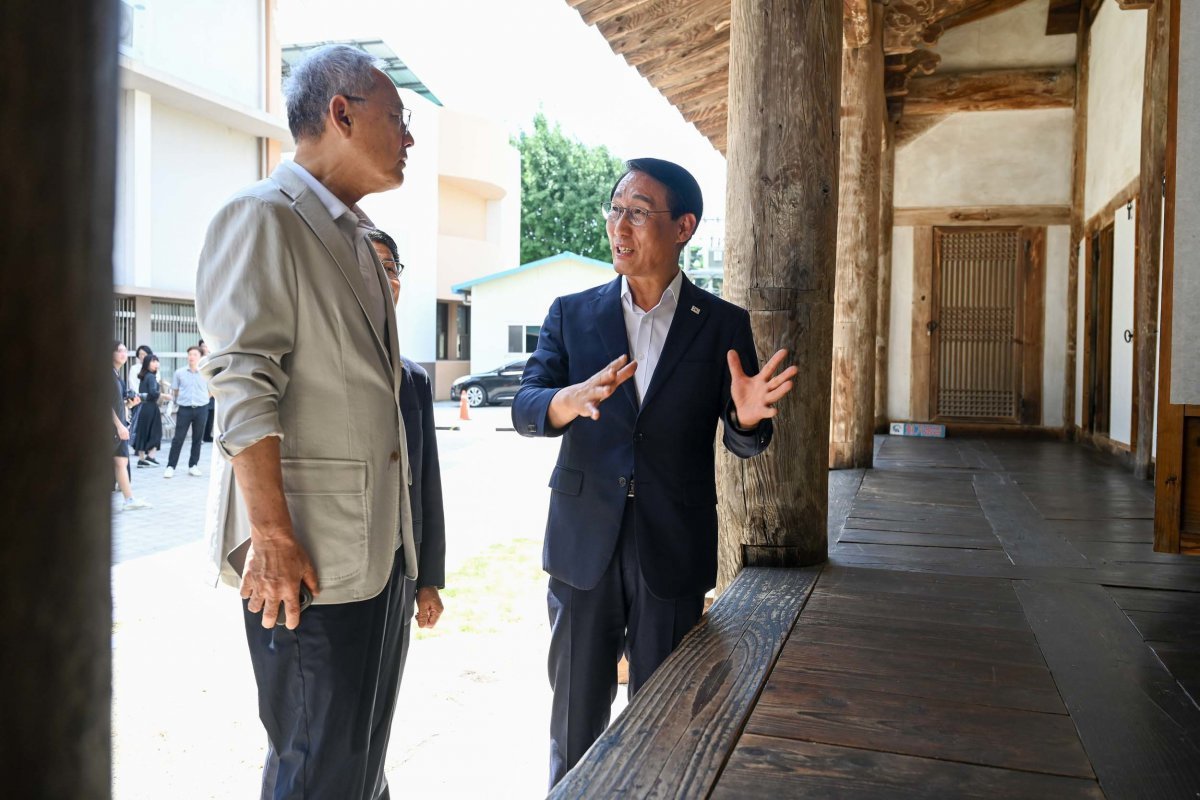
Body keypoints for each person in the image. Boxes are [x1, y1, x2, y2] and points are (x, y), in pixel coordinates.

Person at [511, 158, 798, 787]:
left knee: (668, 717)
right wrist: (565, 400)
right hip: (584, 543)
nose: (619, 225)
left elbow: (747, 438)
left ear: (683, 227)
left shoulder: (722, 324)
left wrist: (747, 420)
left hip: (671, 544)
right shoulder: (571, 313)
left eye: (638, 212)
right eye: (615, 210)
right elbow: (526, 405)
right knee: (572, 717)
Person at [195, 44, 419, 799]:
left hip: (376, 554)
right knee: (314, 767)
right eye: (401, 119)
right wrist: (273, 537)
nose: (410, 138)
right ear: (342, 114)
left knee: (358, 766)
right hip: (308, 561)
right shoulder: (262, 218)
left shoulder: (357, 239)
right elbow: (242, 382)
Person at [369, 225, 446, 632]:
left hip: (401, 571)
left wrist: (428, 580)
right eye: (370, 266)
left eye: (390, 267)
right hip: (336, 576)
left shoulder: (414, 381)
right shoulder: (319, 372)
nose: (385, 279)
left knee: (385, 695)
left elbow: (427, 484)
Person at [111, 342, 151, 512]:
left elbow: (117, 404)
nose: (123, 353)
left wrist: (129, 404)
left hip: (118, 428)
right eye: (119, 350)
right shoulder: (108, 376)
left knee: (121, 461)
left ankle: (129, 499)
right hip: (112, 428)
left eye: (125, 350)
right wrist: (120, 426)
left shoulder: (116, 375)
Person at [163, 346, 209, 479]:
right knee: (178, 439)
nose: (191, 357)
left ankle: (193, 465)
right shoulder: (179, 372)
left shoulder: (206, 373)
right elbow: (175, 390)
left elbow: (211, 388)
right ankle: (170, 466)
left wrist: (205, 398)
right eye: (189, 354)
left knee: (197, 438)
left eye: (194, 354)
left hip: (201, 408)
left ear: (200, 357)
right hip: (184, 409)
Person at [132, 353, 163, 467]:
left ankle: (142, 459)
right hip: (151, 407)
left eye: (157, 361)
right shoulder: (151, 376)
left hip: (142, 406)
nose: (156, 363)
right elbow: (153, 393)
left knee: (143, 431)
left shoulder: (144, 376)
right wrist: (162, 395)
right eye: (153, 361)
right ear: (147, 364)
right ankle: (150, 456)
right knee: (156, 432)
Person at [198, 339, 215, 443]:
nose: (204, 348)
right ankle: (201, 436)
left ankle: (207, 435)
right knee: (204, 415)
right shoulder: (198, 359)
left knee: (211, 414)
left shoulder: (212, 358)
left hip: (211, 389)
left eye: (206, 346)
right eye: (202, 346)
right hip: (202, 390)